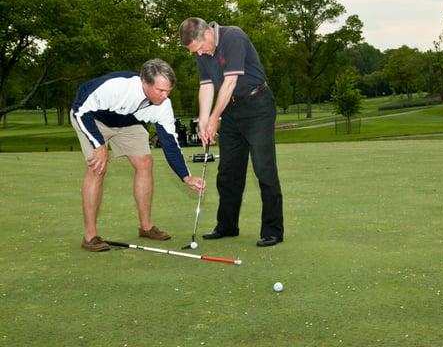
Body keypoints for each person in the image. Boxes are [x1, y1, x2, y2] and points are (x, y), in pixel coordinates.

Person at [71, 58, 205, 252]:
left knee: (145, 162)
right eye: (160, 90)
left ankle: (146, 227)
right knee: (98, 167)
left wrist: (186, 176)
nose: (165, 96)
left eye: (169, 90)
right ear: (144, 82)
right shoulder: (116, 87)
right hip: (92, 118)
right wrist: (99, 144)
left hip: (129, 123)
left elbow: (170, 143)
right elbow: (80, 109)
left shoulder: (163, 105)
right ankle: (90, 236)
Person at [179, 17, 284, 247]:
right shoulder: (202, 53)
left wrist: (214, 118)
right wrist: (203, 121)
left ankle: (272, 230)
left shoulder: (233, 36)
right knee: (228, 172)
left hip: (257, 106)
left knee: (263, 168)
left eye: (197, 49)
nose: (197, 54)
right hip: (231, 110)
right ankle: (227, 225)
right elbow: (206, 86)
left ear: (206, 34)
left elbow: (230, 82)